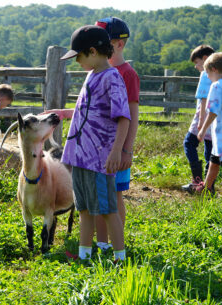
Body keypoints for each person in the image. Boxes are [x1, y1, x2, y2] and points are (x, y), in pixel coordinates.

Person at [60, 25, 131, 262]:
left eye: (78, 56)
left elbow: (123, 117)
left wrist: (117, 152)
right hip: (79, 155)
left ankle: (120, 258)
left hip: (100, 158)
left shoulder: (112, 78)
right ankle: (84, 254)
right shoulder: (92, 75)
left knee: (108, 208)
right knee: (84, 208)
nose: (77, 61)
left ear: (92, 51)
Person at [93, 17, 140, 252]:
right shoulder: (99, 71)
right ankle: (102, 242)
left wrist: (125, 149)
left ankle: (116, 241)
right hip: (98, 147)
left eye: (102, 42)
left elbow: (132, 114)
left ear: (119, 44)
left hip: (117, 147)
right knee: (100, 194)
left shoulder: (127, 74)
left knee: (115, 195)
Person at [196, 52, 222, 197]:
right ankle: (206, 188)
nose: (207, 76)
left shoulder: (216, 86)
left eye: (207, 72)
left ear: (214, 69)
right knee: (214, 160)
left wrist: (203, 130)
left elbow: (213, 111)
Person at [181, 45, 215, 192]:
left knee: (189, 143)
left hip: (203, 118)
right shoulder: (219, 75)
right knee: (210, 152)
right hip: (215, 121)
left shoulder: (205, 75)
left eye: (197, 62)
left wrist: (201, 123)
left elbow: (202, 99)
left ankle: (197, 181)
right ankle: (209, 187)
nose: (196, 66)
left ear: (206, 59)